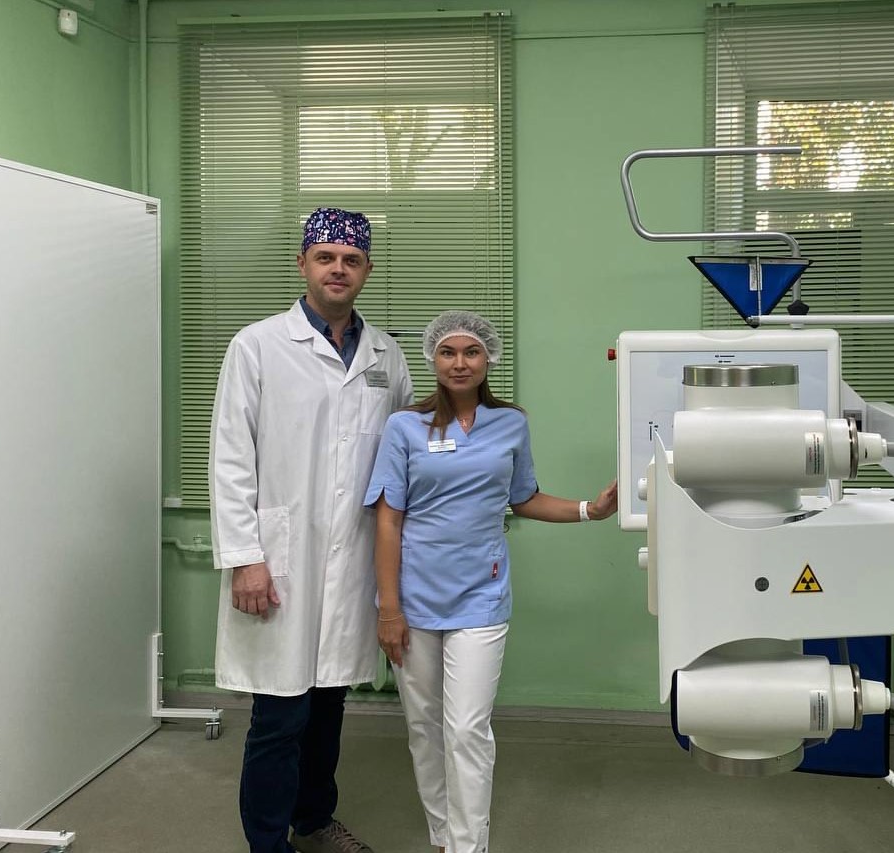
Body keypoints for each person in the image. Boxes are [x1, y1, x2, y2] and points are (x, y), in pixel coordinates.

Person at [366, 310, 617, 853]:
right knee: (424, 727)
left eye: (471, 352)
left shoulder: (510, 424)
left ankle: (468, 846)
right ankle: (441, 834)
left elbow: (524, 497)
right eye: (448, 352)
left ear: (488, 359)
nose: (459, 363)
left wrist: (589, 510)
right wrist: (389, 608)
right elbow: (388, 520)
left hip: (481, 595)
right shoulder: (404, 427)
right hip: (412, 599)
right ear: (433, 359)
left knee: (466, 730)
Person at [210, 208, 414, 853]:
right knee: (279, 715)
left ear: (367, 271)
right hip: (279, 557)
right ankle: (268, 843)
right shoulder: (257, 345)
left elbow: (402, 456)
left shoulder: (387, 356)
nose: (338, 269)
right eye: (325, 257)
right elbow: (230, 457)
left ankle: (315, 822)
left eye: (351, 260)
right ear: (303, 264)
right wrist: (246, 557)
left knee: (329, 704)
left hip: (352, 559)